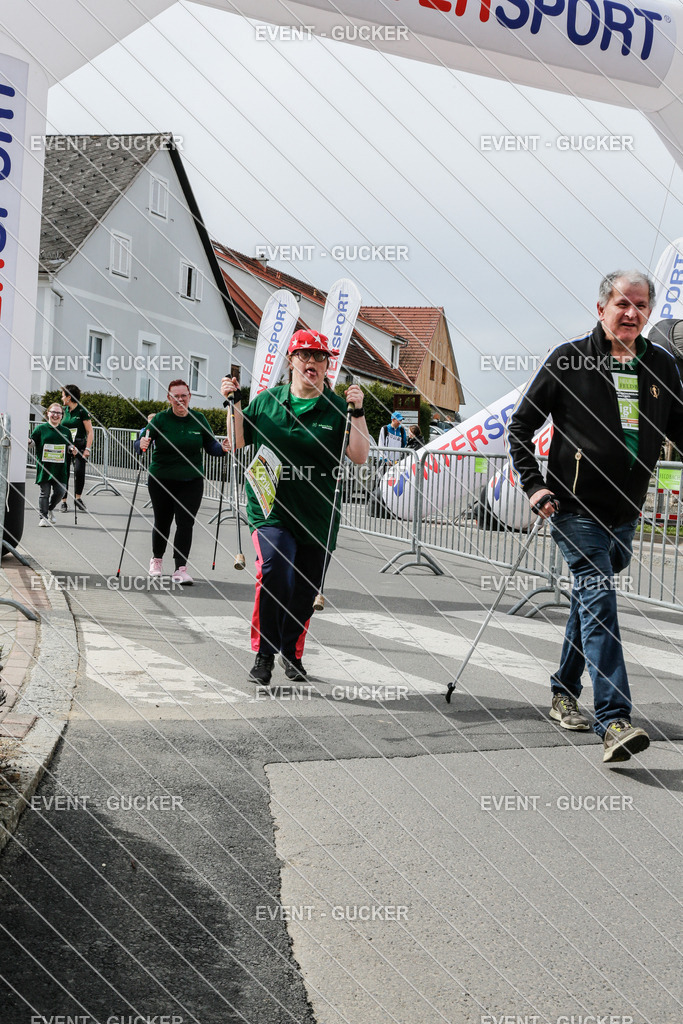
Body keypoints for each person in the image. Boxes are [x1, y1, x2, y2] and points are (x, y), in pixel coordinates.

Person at [507, 270, 683, 763]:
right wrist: (535, 484)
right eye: (623, 303)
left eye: (641, 305)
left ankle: (564, 689)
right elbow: (521, 426)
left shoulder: (663, 367)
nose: (632, 313)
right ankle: (614, 720)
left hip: (625, 513)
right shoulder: (569, 359)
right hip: (573, 507)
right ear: (601, 307)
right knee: (600, 594)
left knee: (592, 596)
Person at [221, 329, 370, 686]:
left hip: (317, 516)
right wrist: (233, 403)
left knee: (303, 592)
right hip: (270, 508)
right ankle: (264, 654)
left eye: (320, 357)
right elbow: (238, 440)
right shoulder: (267, 401)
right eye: (305, 355)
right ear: (290, 361)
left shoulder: (337, 408)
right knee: (274, 570)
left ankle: (292, 652)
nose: (312, 362)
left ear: (327, 365)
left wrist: (360, 411)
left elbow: (360, 456)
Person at [136, 379, 230, 585]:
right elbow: (140, 442)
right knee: (163, 521)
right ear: (169, 398)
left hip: (191, 480)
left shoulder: (199, 419)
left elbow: (211, 447)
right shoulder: (160, 419)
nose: (180, 400)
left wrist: (222, 448)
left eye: (183, 396)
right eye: (175, 396)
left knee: (185, 523)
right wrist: (141, 443)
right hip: (161, 479)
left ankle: (180, 569)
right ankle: (157, 560)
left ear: (189, 396)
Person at [30, 404, 77, 526]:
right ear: (48, 413)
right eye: (53, 412)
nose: (56, 415)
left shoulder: (66, 431)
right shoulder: (41, 429)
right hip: (45, 468)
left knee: (61, 491)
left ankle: (50, 509)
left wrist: (72, 449)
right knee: (44, 492)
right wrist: (29, 441)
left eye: (59, 413)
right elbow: (33, 442)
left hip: (60, 469)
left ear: (62, 416)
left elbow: (69, 446)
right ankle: (43, 517)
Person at [60, 384, 94, 513]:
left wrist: (87, 449)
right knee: (64, 473)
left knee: (79, 472)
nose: (62, 398)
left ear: (69, 397)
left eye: (63, 396)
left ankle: (78, 498)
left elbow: (90, 432)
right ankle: (63, 501)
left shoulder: (81, 411)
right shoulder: (63, 410)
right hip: (65, 446)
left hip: (79, 445)